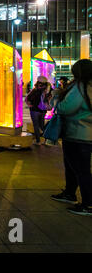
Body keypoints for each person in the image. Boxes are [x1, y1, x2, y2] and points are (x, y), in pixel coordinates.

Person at [50, 59, 92, 216]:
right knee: (74, 167)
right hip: (86, 133)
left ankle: (88, 204)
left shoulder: (80, 87)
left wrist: (56, 100)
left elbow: (66, 108)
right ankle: (69, 193)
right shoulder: (89, 86)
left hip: (77, 133)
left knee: (81, 170)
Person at [25, 76, 52, 145]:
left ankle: (38, 141)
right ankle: (46, 140)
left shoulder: (36, 90)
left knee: (36, 126)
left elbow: (30, 99)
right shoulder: (48, 90)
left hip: (35, 110)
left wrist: (29, 103)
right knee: (42, 125)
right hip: (42, 111)